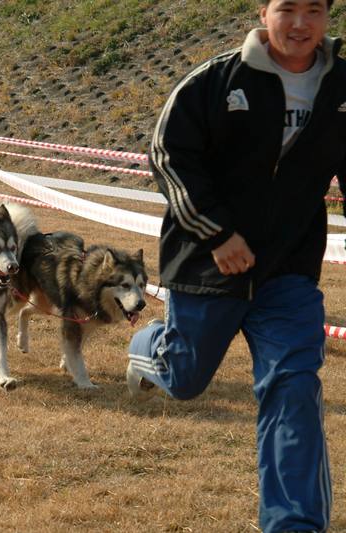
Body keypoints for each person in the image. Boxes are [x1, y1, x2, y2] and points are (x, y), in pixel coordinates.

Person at [126, 1, 342, 531]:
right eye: (286, 8)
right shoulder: (216, 80)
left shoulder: (342, 87)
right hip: (209, 263)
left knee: (293, 384)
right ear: (262, 11)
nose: (299, 24)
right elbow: (168, 153)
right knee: (185, 378)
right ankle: (148, 348)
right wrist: (218, 234)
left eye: (313, 10)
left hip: (288, 267)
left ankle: (293, 523)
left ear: (329, 16)